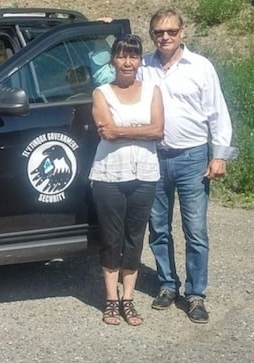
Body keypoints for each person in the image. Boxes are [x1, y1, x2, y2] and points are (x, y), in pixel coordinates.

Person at [139, 7, 238, 324]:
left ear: (183, 32)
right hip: (154, 156)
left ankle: (195, 294)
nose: (164, 37)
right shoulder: (144, 66)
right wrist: (106, 28)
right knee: (158, 229)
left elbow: (217, 113)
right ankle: (168, 285)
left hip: (192, 157)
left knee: (195, 231)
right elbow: (114, 71)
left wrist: (219, 154)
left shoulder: (201, 67)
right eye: (158, 32)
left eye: (171, 31)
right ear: (152, 34)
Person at [90, 34, 164, 326]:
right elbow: (106, 132)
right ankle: (110, 300)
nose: (128, 62)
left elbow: (158, 129)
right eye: (122, 56)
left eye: (133, 56)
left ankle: (128, 300)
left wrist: (122, 130)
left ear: (140, 61)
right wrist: (138, 128)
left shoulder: (152, 90)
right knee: (111, 238)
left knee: (135, 238)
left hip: (145, 173)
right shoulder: (101, 93)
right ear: (113, 60)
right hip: (109, 174)